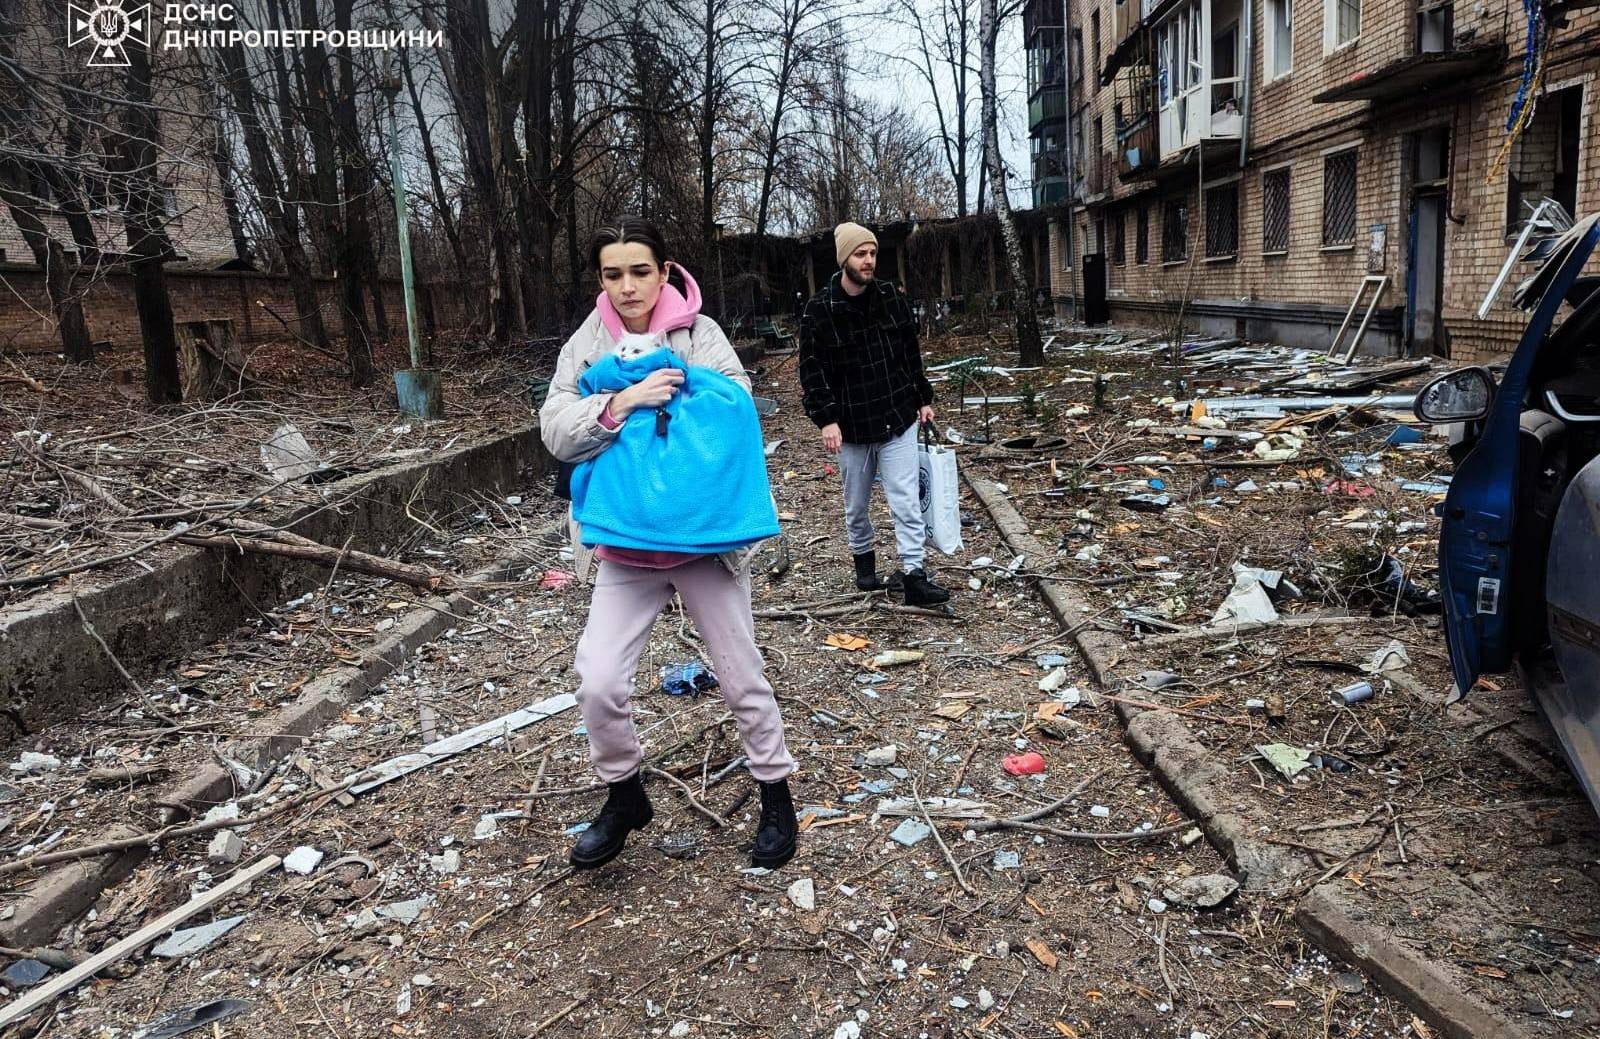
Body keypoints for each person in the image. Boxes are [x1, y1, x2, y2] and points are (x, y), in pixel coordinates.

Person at [540, 216, 798, 871]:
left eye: (640, 271)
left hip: (702, 540)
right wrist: (620, 401)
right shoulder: (588, 340)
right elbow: (555, 431)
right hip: (626, 544)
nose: (627, 287)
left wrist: (676, 384)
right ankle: (624, 795)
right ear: (600, 278)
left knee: (741, 675)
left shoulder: (700, 333)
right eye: (612, 273)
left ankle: (775, 793)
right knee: (597, 682)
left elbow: (737, 408)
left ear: (664, 270)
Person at [799, 221, 951, 607]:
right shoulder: (821, 310)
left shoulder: (890, 298)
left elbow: (909, 354)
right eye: (860, 254)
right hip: (850, 425)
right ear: (844, 259)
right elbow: (812, 370)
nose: (868, 261)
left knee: (905, 499)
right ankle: (865, 568)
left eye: (872, 254)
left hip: (896, 414)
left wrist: (922, 398)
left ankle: (915, 575)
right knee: (856, 504)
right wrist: (826, 418)